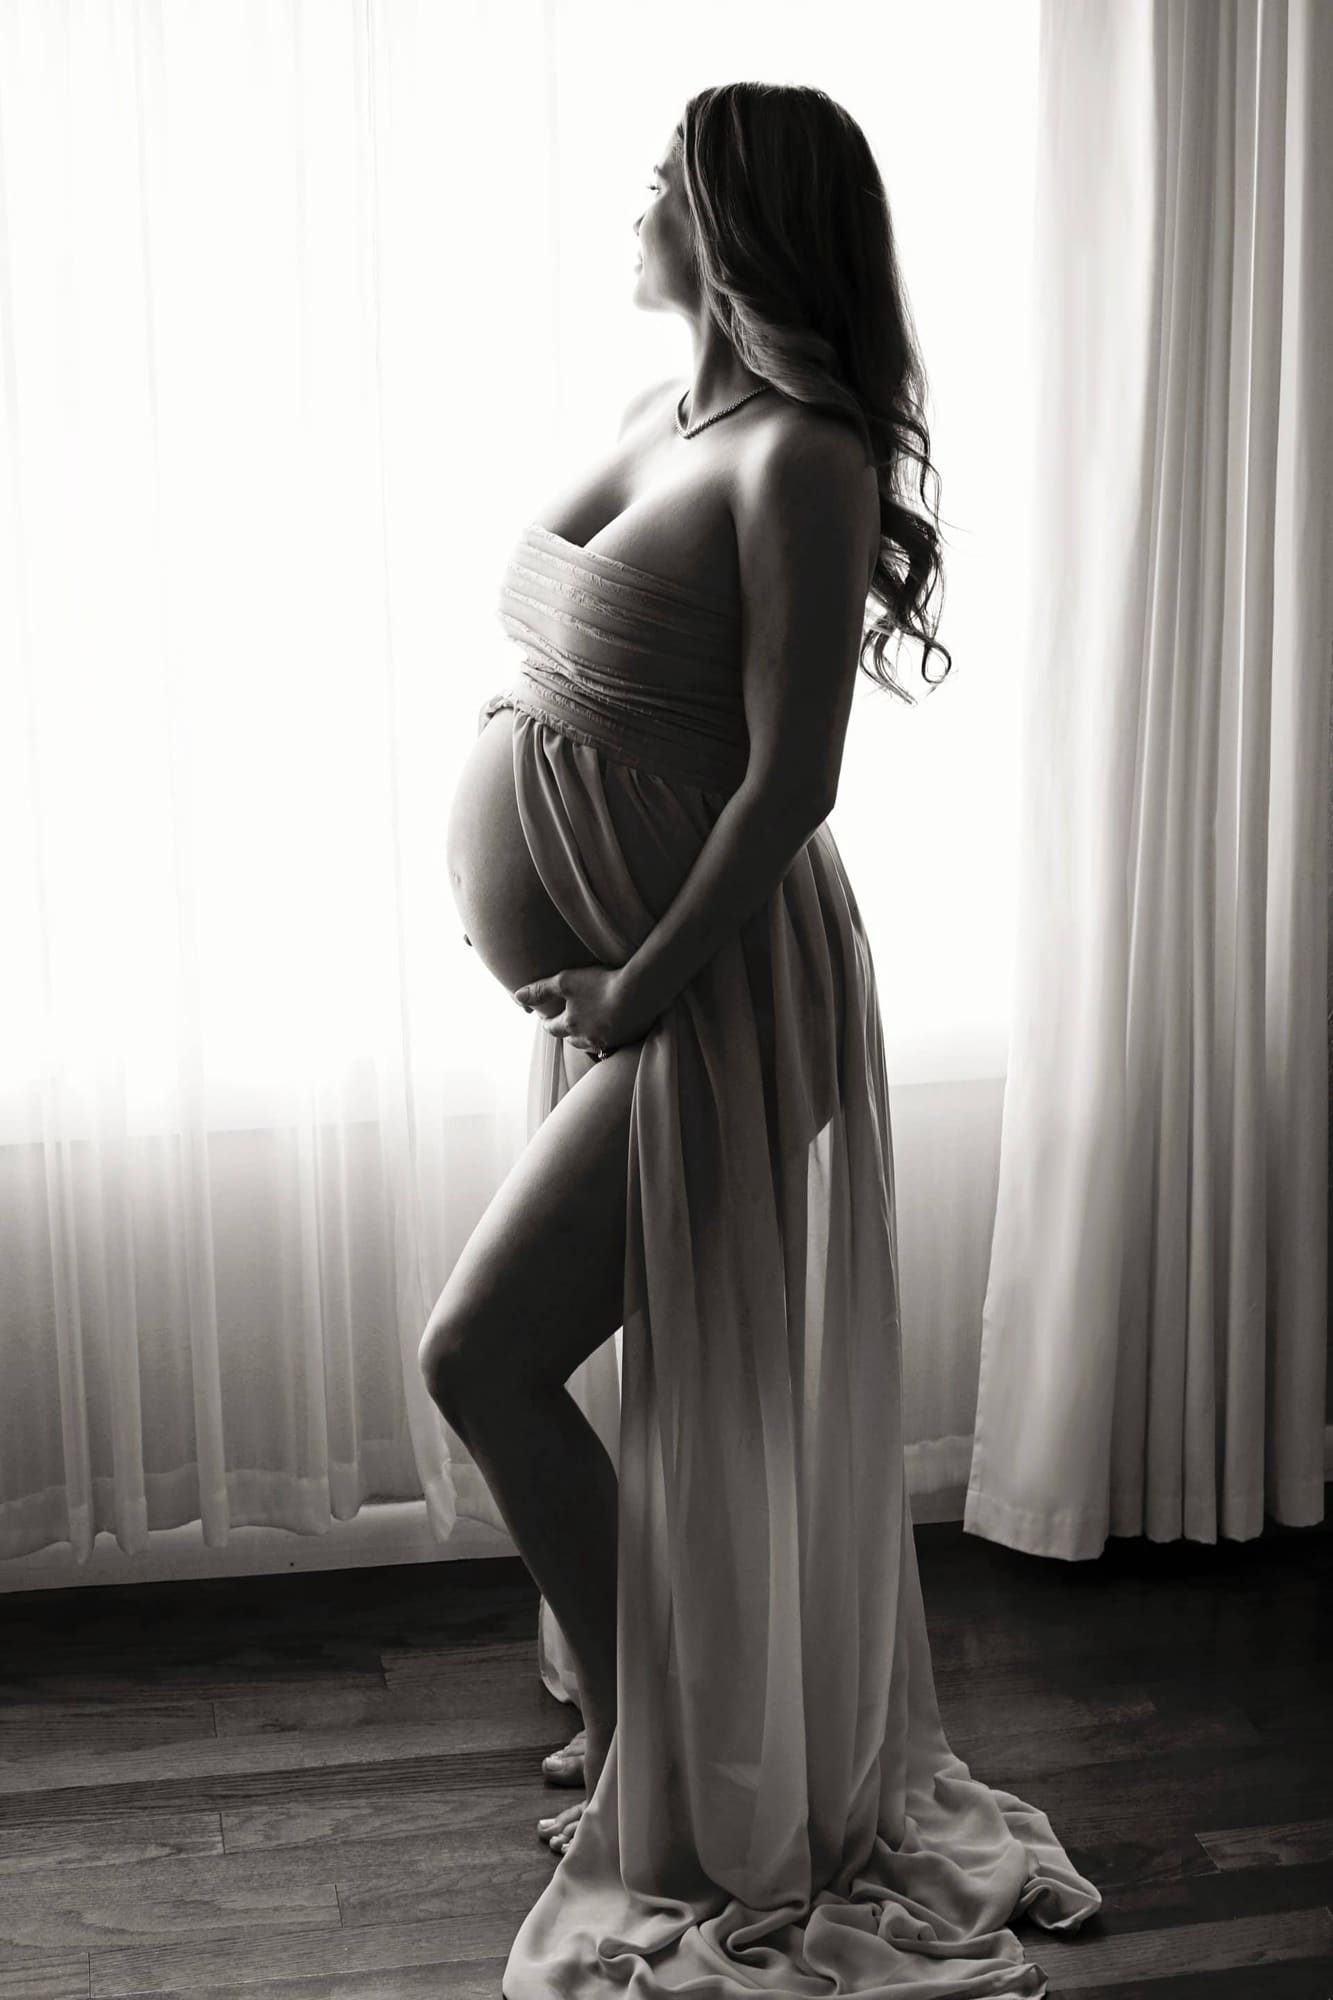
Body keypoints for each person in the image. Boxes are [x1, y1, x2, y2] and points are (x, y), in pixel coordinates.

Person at [422, 79, 1101, 2000]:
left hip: (718, 993)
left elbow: (789, 780)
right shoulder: (672, 415)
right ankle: (676, 1737)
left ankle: (685, 1784)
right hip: (639, 979)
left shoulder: (801, 453)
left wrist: (634, 982)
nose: (635, 202)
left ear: (733, 222)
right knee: (594, 1373)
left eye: (666, 180)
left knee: (477, 1351)